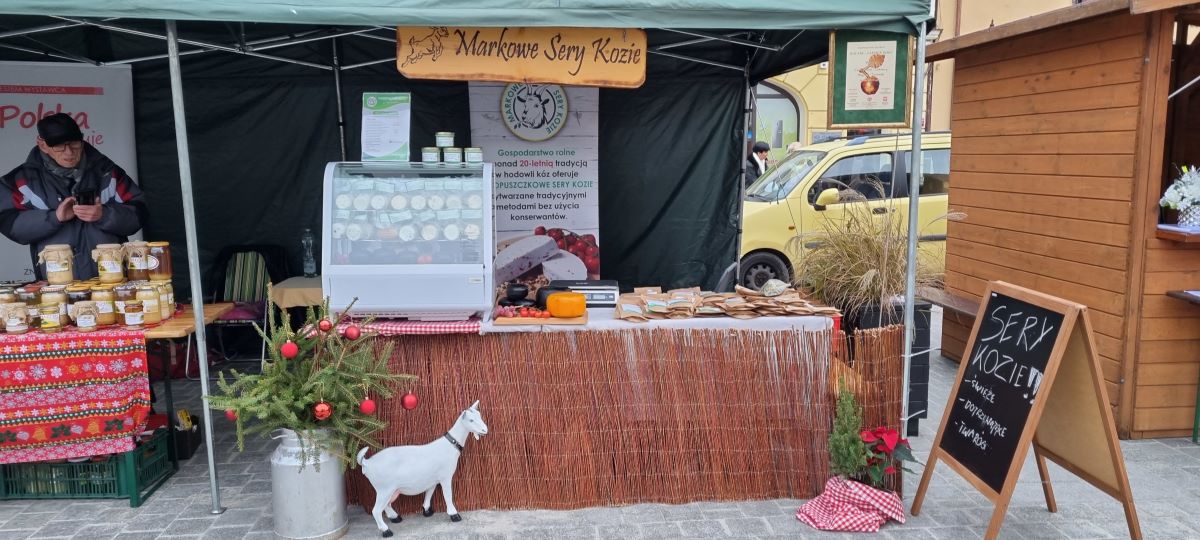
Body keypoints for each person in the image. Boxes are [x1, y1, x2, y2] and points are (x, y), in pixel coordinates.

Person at [0, 113, 147, 280]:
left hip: (112, 280)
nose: (69, 152)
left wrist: (104, 215)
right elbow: (9, 223)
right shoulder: (22, 180)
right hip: (57, 284)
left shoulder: (107, 172)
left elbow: (139, 213)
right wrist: (54, 217)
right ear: (42, 144)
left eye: (75, 144)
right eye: (59, 146)